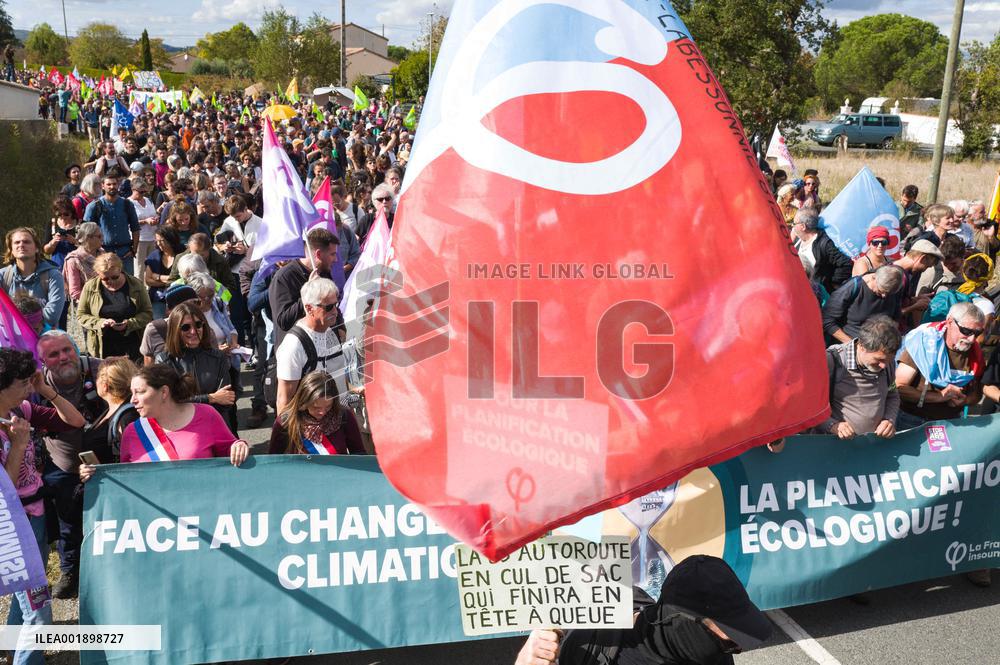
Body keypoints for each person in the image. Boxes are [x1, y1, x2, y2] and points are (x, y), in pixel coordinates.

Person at [516, 555, 771, 665]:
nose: (737, 649)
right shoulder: (590, 647)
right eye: (729, 641)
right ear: (681, 623)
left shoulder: (715, 655)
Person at [0, 348, 86, 665]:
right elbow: (4, 492)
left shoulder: (21, 410)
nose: (29, 387)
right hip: (11, 528)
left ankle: (12, 649)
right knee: (39, 613)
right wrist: (19, 445)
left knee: (24, 601)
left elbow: (74, 421)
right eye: (23, 382)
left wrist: (45, 390)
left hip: (35, 518)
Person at [112, 365, 249, 465]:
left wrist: (239, 446)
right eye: (132, 393)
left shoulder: (206, 415)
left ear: (164, 392)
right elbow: (127, 477)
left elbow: (229, 448)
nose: (132, 400)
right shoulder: (131, 432)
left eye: (140, 392)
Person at [895, 302, 986, 429]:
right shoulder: (924, 343)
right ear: (949, 322)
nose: (971, 339)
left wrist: (965, 401)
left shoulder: (976, 354)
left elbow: (976, 394)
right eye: (966, 331)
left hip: (951, 422)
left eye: (977, 333)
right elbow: (899, 387)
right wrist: (939, 397)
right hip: (912, 419)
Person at [154, 301, 237, 432]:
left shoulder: (218, 357)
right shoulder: (164, 361)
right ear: (175, 330)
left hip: (215, 425)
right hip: (181, 429)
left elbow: (226, 399)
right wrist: (211, 398)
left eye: (198, 325)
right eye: (186, 327)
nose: (193, 331)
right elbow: (170, 401)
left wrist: (193, 401)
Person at [817, 315, 900, 440]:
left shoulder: (887, 363)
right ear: (861, 346)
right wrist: (832, 425)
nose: (883, 366)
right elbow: (808, 406)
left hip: (873, 444)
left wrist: (889, 419)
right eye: (878, 359)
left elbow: (892, 394)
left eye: (888, 360)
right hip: (834, 444)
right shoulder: (833, 361)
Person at [274, 278, 347, 414]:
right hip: (311, 422)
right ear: (309, 308)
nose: (335, 311)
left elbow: (338, 373)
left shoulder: (330, 330)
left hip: (338, 416)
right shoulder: (293, 345)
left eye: (336, 304)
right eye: (328, 307)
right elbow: (284, 400)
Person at [269, 227, 342, 348]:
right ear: (318, 254)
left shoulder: (323, 272)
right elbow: (283, 321)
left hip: (325, 346)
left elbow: (333, 306)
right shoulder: (284, 278)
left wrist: (340, 327)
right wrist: (309, 294)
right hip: (299, 351)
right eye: (332, 254)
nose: (336, 259)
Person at [76, 252, 152, 360]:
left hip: (133, 343)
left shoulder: (136, 285)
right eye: (105, 279)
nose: (110, 281)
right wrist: (100, 323)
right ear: (98, 274)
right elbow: (81, 315)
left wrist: (130, 323)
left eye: (115, 277)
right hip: (102, 345)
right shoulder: (90, 287)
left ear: (120, 270)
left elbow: (147, 313)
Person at [269, 370, 365, 455]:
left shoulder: (343, 416)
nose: (322, 412)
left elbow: (359, 453)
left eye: (328, 406)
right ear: (304, 402)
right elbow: (273, 459)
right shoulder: (286, 421)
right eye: (316, 407)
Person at [1, 227, 66, 330]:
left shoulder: (53, 275)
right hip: (11, 337)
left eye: (26, 242)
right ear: (11, 250)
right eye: (17, 242)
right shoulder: (3, 276)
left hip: (44, 336)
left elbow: (52, 315)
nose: (21, 245)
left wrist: (19, 323)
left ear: (36, 248)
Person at [822, 265, 904, 343]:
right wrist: (852, 344)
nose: (884, 296)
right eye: (880, 290)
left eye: (888, 293)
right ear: (873, 278)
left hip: (881, 343)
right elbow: (827, 320)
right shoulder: (852, 288)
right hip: (852, 341)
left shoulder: (893, 289)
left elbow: (896, 317)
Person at [83, 173, 140, 275]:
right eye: (108, 184)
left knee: (127, 282)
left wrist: (134, 250)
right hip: (103, 253)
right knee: (104, 281)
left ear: (118, 185)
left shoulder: (127, 204)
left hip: (125, 253)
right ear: (102, 186)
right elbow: (85, 233)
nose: (112, 187)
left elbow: (135, 228)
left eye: (114, 184)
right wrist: (93, 251)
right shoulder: (94, 206)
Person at [792, 208, 852, 293]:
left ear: (803, 226)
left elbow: (846, 264)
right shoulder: (798, 241)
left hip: (819, 294)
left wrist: (830, 283)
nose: (793, 227)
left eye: (794, 223)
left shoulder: (824, 244)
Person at [131, 174, 159, 271]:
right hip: (139, 240)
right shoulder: (128, 203)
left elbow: (153, 213)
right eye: (141, 192)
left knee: (152, 267)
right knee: (139, 267)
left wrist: (156, 218)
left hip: (152, 237)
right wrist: (146, 221)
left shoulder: (148, 200)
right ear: (133, 190)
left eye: (145, 192)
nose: (143, 194)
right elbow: (128, 223)